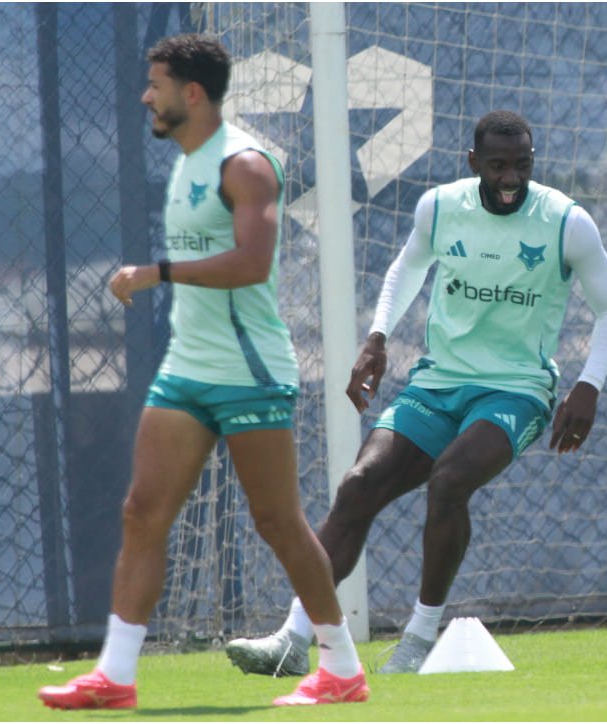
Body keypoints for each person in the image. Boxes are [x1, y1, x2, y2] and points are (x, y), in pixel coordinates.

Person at [224, 110, 607, 676]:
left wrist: (588, 386)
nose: (511, 176)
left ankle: (416, 641)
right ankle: (293, 639)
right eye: (498, 165)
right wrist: (377, 338)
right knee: (359, 485)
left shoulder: (566, 221)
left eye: (522, 164)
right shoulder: (440, 207)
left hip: (516, 391)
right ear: (473, 163)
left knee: (450, 480)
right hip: (438, 382)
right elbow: (405, 269)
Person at [37, 34, 368, 709]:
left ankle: (340, 666)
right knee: (141, 511)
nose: (144, 97)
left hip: (249, 372)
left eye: (154, 84)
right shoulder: (186, 162)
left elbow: (252, 262)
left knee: (277, 521)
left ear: (192, 93)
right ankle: (116, 677)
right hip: (186, 369)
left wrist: (157, 272)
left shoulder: (245, 165)